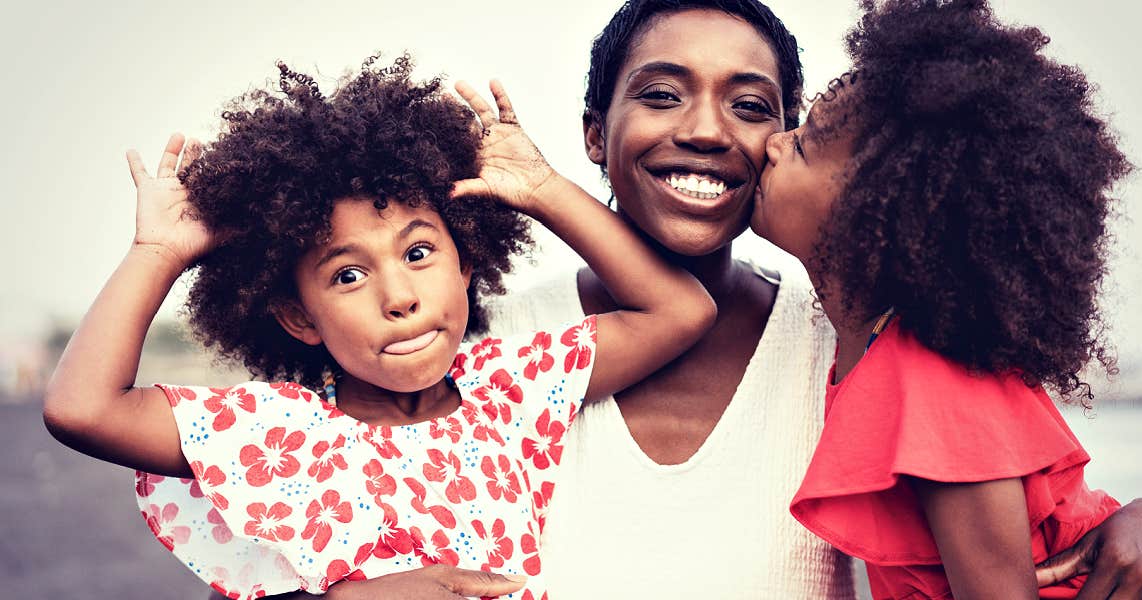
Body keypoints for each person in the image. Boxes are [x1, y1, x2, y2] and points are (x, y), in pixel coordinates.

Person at [212, 1, 1142, 598]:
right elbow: (290, 515)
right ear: (594, 133)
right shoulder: (474, 348)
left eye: (755, 107)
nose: (713, 132)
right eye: (664, 94)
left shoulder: (863, 350)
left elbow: (1025, 506)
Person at [41, 55, 716, 599]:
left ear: (466, 261)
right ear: (299, 316)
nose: (399, 296)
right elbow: (83, 409)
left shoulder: (513, 390)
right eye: (348, 275)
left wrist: (541, 187)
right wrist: (158, 253)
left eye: (419, 253)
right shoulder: (276, 433)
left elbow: (680, 311)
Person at [752, 0, 1142, 598]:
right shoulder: (880, 358)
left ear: (875, 215)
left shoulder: (931, 383)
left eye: (802, 146)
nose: (774, 144)